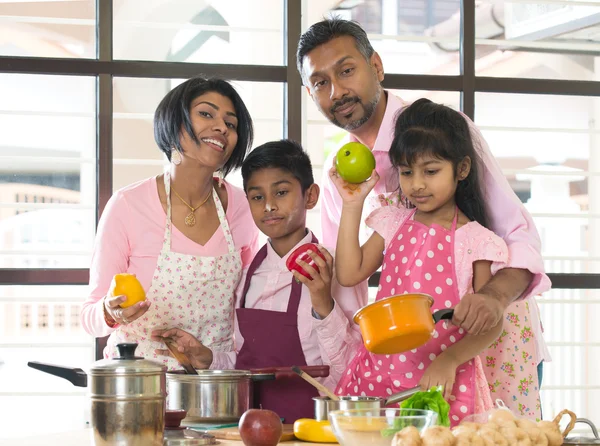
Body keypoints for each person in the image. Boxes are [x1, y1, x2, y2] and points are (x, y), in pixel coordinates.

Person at [296, 17, 550, 402]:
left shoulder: (443, 131)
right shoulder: (340, 175)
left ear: (376, 66)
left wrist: (494, 299)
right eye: (320, 82)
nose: (337, 91)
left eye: (347, 70)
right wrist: (353, 367)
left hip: (488, 341)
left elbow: (517, 232)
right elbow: (349, 286)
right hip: (404, 364)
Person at [331, 98, 543, 425]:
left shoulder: (476, 240)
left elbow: (491, 322)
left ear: (462, 169)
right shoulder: (393, 222)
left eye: (431, 171)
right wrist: (351, 204)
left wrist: (450, 360)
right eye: (406, 172)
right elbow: (348, 272)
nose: (416, 184)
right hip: (382, 374)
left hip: (444, 382)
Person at [152, 139, 365, 423]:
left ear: (310, 196)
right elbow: (246, 363)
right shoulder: (247, 275)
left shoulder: (339, 267)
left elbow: (354, 368)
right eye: (256, 197)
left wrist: (323, 304)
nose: (268, 206)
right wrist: (206, 357)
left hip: (314, 429)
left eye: (281, 192)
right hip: (250, 427)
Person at [81, 76, 259, 369]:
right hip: (141, 384)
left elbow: (249, 309)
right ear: (174, 123)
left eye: (231, 123)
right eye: (206, 113)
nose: (221, 128)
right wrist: (110, 312)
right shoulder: (128, 205)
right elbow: (90, 316)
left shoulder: (243, 207)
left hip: (215, 384)